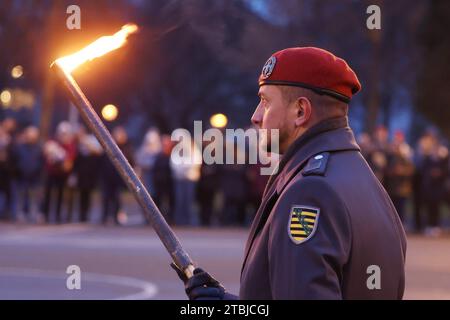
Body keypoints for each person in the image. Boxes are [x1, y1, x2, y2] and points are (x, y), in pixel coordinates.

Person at [173, 47, 406, 299]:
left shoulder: (310, 192)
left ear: (300, 112)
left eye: (265, 101)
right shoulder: (360, 176)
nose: (256, 116)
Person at [15, 126, 44, 222]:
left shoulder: (39, 147)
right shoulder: (20, 147)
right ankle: (21, 213)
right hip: (22, 176)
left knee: (35, 197)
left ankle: (34, 214)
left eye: (33, 135)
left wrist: (38, 172)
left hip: (35, 177)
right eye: (29, 134)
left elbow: (41, 161)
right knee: (22, 196)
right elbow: (16, 160)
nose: (31, 137)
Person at [385, 130, 414, 223]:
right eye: (395, 139)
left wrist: (402, 171)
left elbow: (411, 170)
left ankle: (402, 227)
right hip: (391, 187)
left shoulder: (407, 154)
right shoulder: (390, 155)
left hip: (402, 188)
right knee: (392, 210)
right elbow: (385, 169)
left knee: (401, 210)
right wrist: (392, 171)